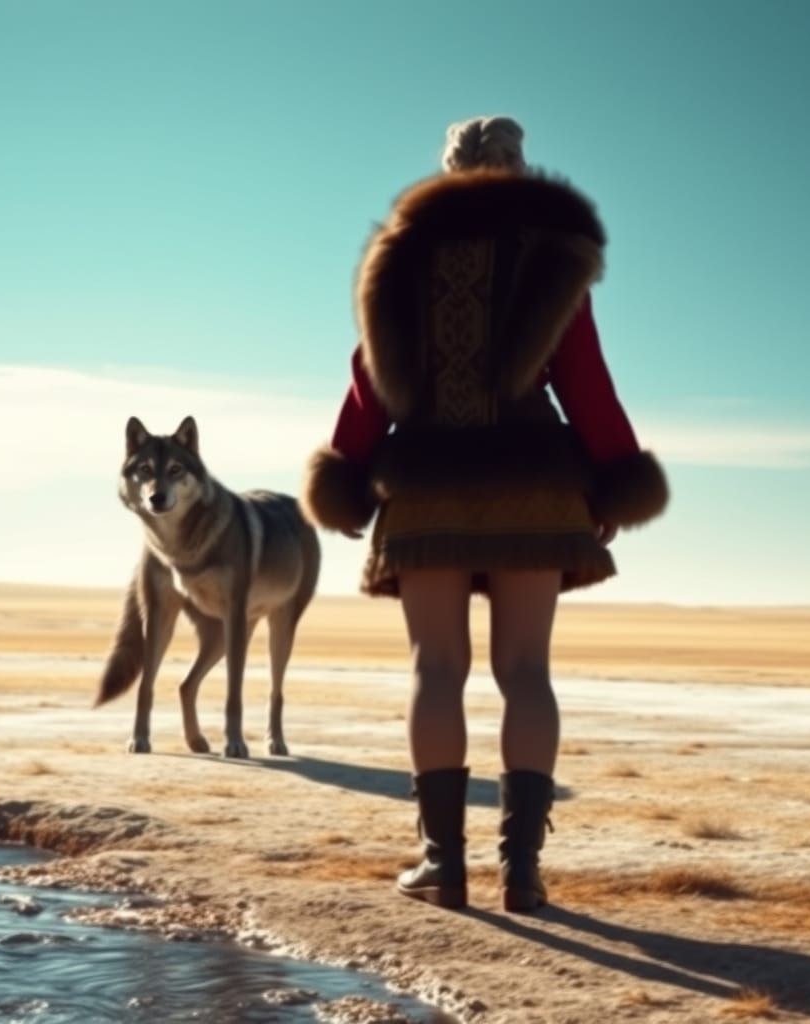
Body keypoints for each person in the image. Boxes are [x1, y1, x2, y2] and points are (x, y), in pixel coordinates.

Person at [301, 115, 668, 913]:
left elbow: (372, 381)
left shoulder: (398, 259)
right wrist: (613, 476)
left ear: (448, 170)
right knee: (526, 672)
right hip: (533, 482)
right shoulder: (552, 257)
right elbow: (587, 383)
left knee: (437, 670)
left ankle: (444, 867)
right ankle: (522, 874)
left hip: (426, 481)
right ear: (519, 170)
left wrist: (349, 474)